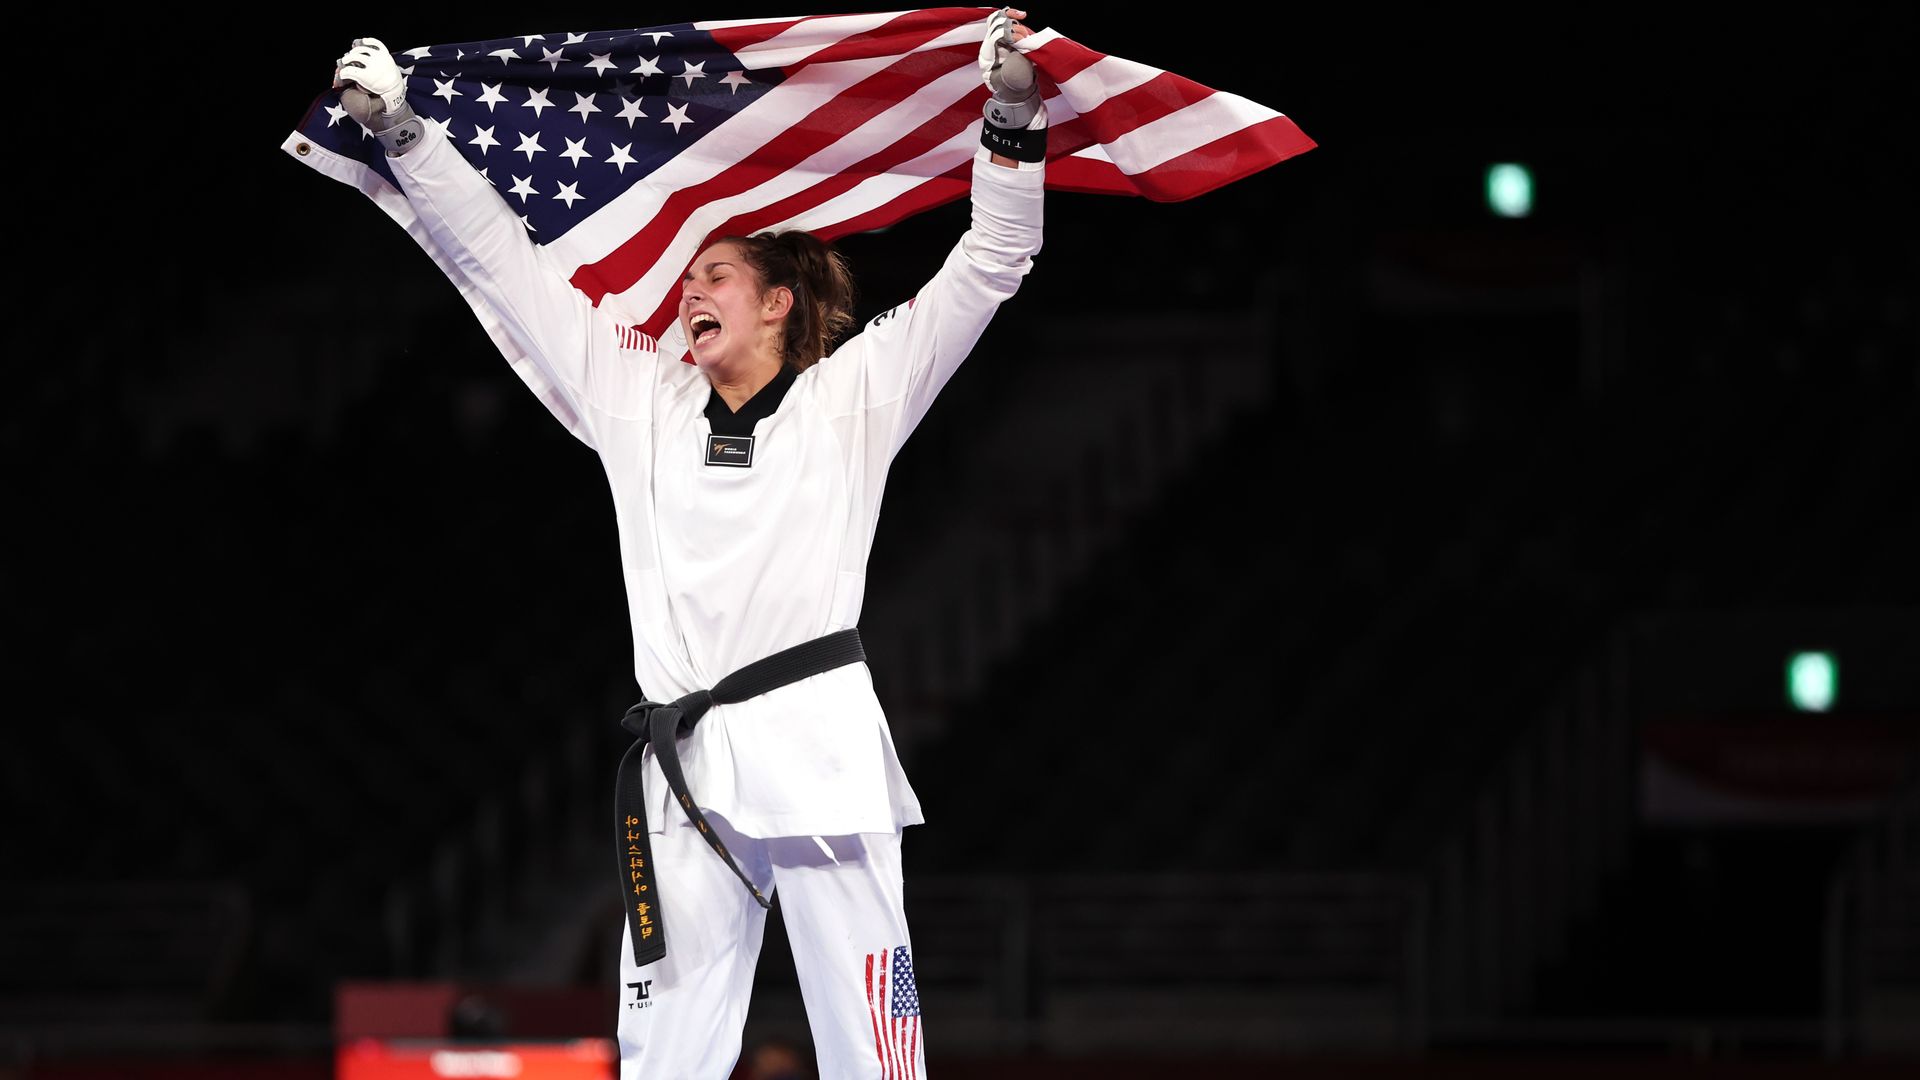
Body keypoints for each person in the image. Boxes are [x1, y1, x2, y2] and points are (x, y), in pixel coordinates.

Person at [331, 10, 1045, 1077]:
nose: (689, 292)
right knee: (661, 1050)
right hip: (684, 768)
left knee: (874, 1043)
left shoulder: (854, 397)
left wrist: (1011, 119)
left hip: (819, 749)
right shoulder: (638, 401)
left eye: (715, 276)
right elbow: (508, 270)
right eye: (691, 278)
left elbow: (991, 261)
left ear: (778, 304)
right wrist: (408, 139)